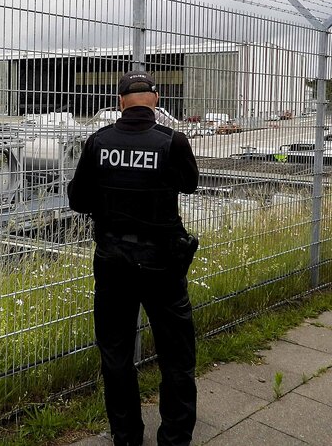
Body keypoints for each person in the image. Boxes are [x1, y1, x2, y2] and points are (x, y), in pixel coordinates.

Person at [67, 71, 199, 446]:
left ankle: (126, 437)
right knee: (176, 354)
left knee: (116, 353)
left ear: (121, 101)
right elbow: (190, 184)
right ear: (155, 100)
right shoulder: (172, 141)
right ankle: (174, 437)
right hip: (163, 261)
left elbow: (78, 200)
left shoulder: (98, 142)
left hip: (112, 261)